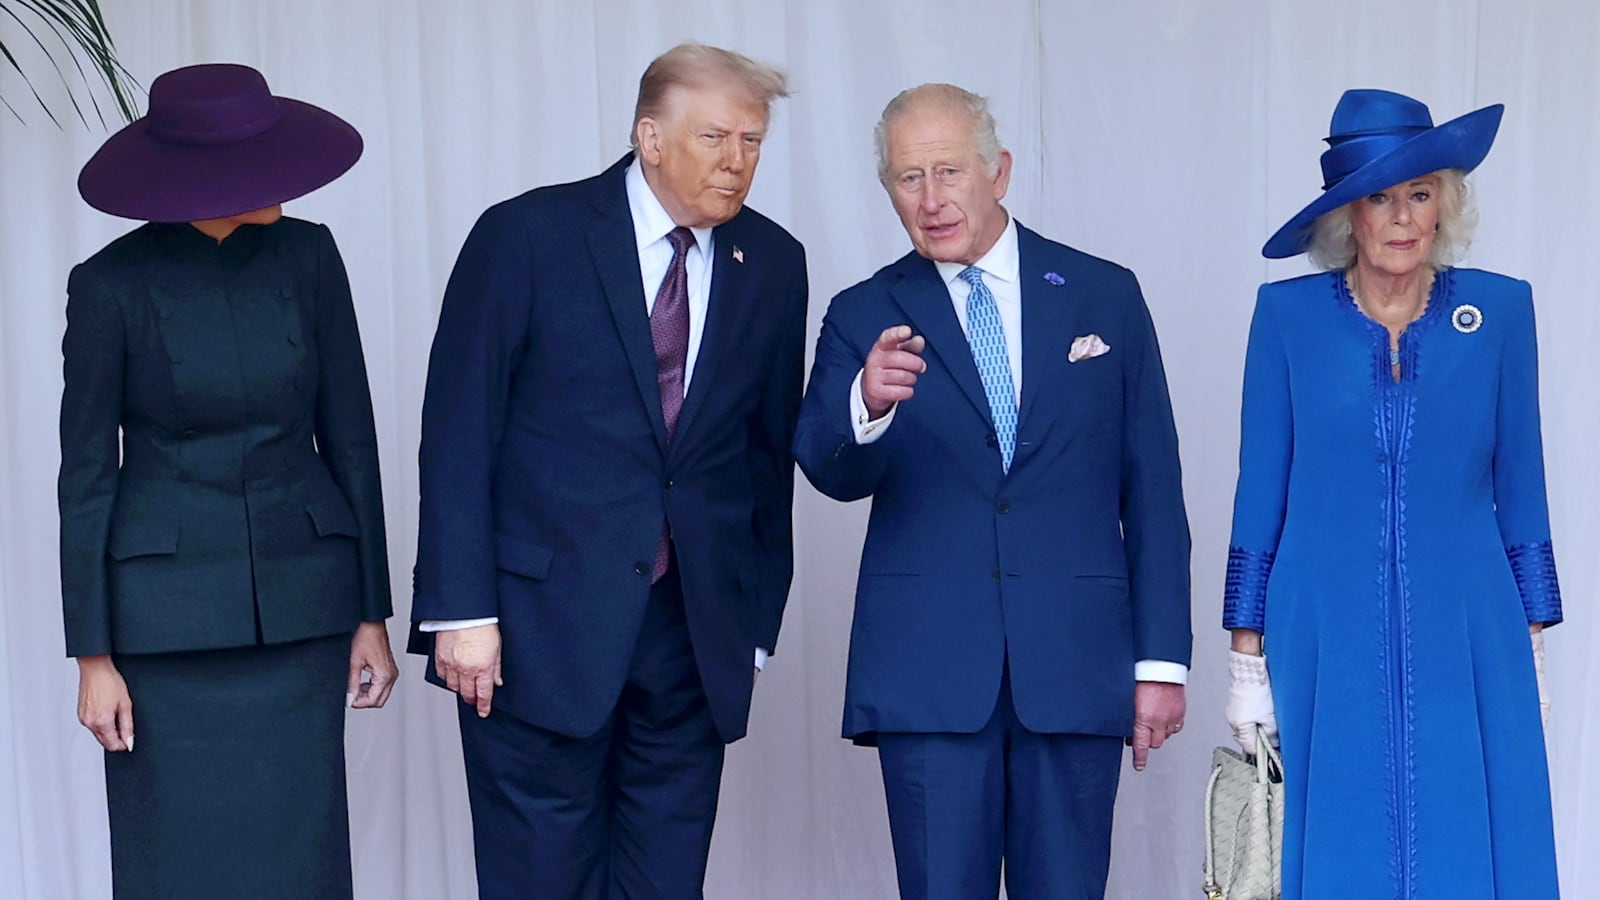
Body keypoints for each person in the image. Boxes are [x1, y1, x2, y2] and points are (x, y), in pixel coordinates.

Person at [410, 42, 808, 899]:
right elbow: (456, 433)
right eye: (715, 138)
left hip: (691, 633)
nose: (737, 163)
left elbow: (766, 454)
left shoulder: (773, 262)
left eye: (752, 141)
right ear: (650, 137)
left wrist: (755, 619)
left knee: (666, 882)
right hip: (531, 629)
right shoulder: (526, 235)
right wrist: (460, 609)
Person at [793, 83, 1191, 899]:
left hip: (1079, 666)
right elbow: (828, 468)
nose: (932, 200)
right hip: (930, 675)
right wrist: (864, 404)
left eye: (949, 171)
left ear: (998, 170)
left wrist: (1161, 662)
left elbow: (1152, 489)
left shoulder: (1102, 294)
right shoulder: (863, 312)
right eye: (909, 178)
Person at [62, 63, 397, 899]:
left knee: (301, 862)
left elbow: (352, 438)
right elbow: (88, 477)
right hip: (163, 633)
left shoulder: (312, 257)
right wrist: (91, 656)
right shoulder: (108, 285)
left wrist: (371, 613)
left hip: (302, 613)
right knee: (175, 863)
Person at [1223, 88, 1562, 899]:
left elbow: (1523, 484)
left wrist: (1535, 642)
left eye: (1420, 193)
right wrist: (1245, 661)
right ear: (1348, 217)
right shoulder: (1286, 318)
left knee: (1472, 836)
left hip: (1473, 626)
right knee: (1339, 834)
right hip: (1321, 626)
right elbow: (1259, 491)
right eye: (1381, 197)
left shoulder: (1501, 311)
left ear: (1443, 206)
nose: (1403, 217)